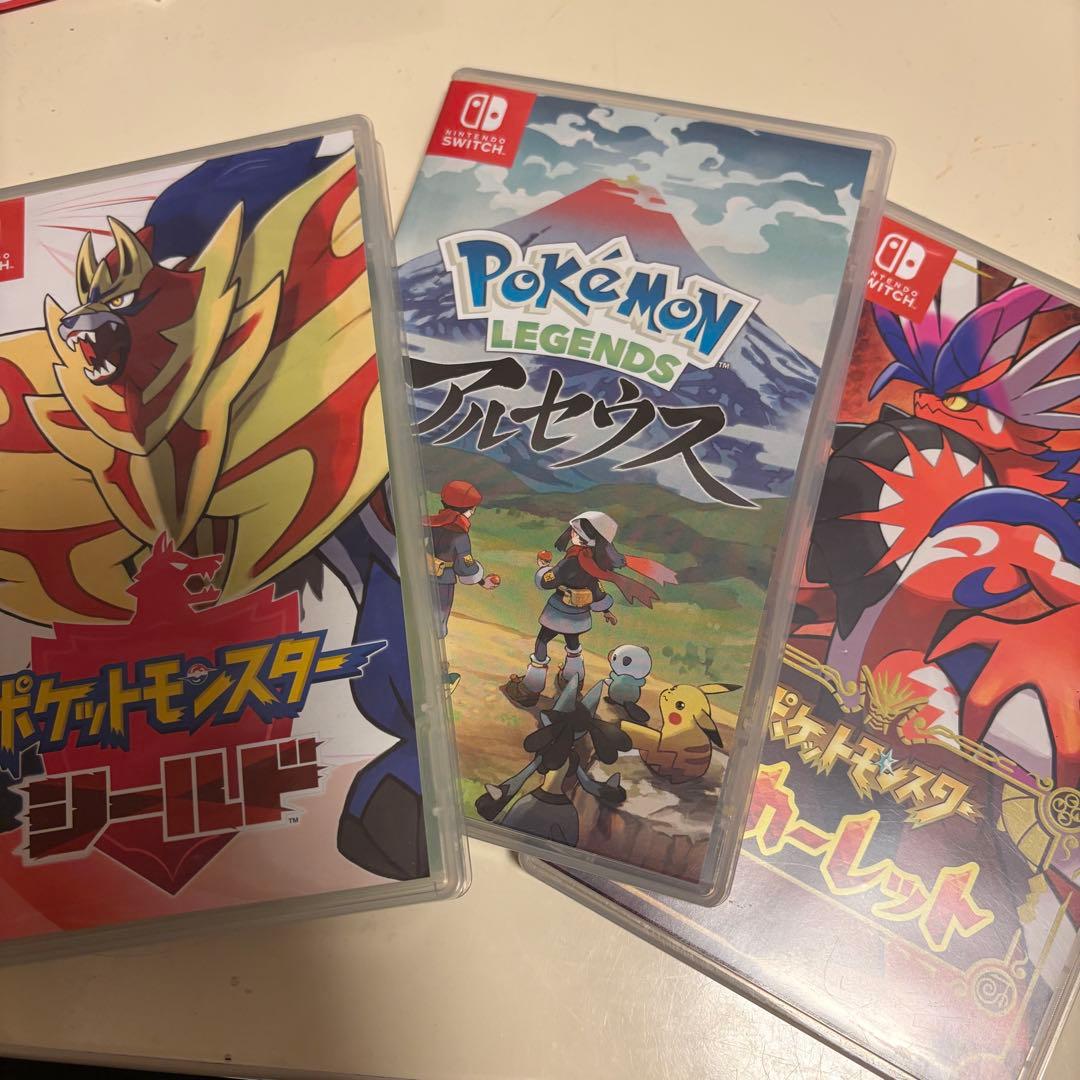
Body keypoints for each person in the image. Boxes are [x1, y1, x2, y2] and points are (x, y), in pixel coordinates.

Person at [502, 511, 673, 708]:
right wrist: (605, 610)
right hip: (579, 615)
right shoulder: (594, 561)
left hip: (558, 611)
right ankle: (572, 681)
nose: (572, 534)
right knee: (573, 645)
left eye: (576, 532)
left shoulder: (573, 559)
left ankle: (530, 689)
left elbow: (548, 581)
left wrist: (543, 568)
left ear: (584, 538)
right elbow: (596, 589)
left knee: (542, 642)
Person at [423, 481, 498, 687]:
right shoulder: (459, 534)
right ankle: (438, 678)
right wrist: (482, 580)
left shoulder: (428, 524)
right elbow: (465, 567)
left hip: (421, 578)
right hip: (443, 582)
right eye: (472, 508)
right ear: (468, 509)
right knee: (437, 627)